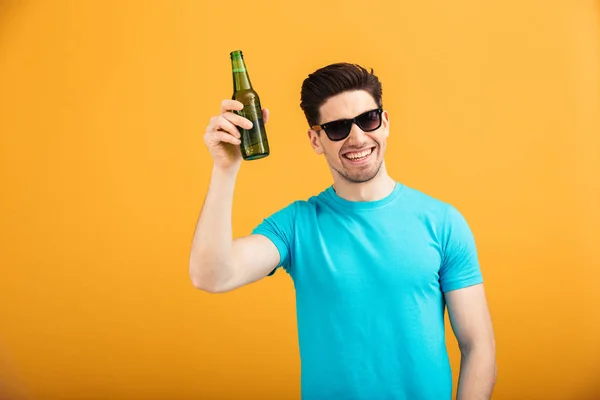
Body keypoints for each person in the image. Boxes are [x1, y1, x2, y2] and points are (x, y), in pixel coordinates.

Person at [190, 62, 497, 399]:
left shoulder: (442, 222)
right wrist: (225, 168)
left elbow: (477, 345)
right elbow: (212, 276)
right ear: (315, 140)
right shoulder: (297, 225)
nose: (357, 137)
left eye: (368, 119)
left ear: (386, 122)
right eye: (337, 127)